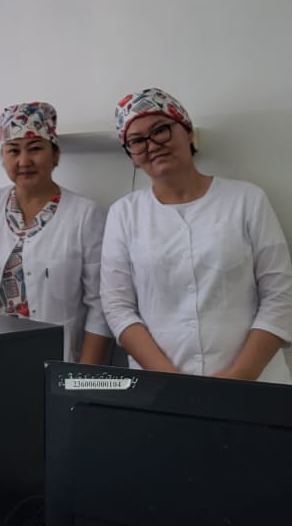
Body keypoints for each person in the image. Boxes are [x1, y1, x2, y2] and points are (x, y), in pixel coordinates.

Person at [101, 88, 292, 381]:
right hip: (162, 387)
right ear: (131, 155)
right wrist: (171, 380)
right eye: (137, 141)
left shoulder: (247, 200)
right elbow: (118, 307)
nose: (152, 145)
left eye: (161, 130)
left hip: (256, 382)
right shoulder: (123, 214)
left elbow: (280, 294)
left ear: (188, 132)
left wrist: (241, 374)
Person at [0, 101, 111, 362]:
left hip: (52, 361)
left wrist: (82, 376)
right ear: (3, 157)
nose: (24, 161)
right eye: (13, 150)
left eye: (35, 148)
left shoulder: (85, 215)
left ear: (55, 154)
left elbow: (100, 306)